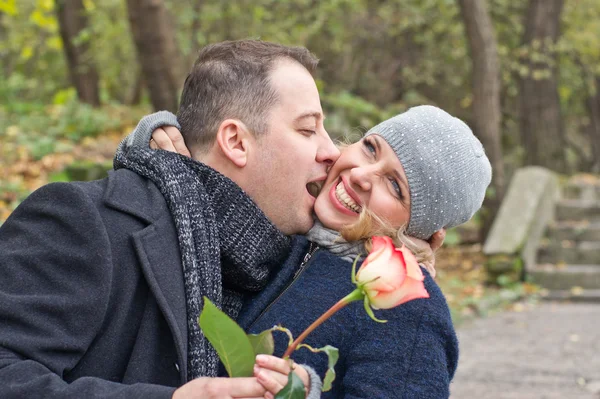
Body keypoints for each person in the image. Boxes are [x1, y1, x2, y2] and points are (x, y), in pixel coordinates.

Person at [0, 40, 341, 399]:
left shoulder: (291, 266)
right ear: (236, 142)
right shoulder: (83, 220)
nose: (331, 150)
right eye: (307, 130)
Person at [124, 104, 492, 397]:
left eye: (395, 186)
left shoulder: (409, 311)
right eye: (369, 148)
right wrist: (160, 142)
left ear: (423, 232)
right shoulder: (290, 223)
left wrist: (304, 393)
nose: (362, 175)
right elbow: (201, 211)